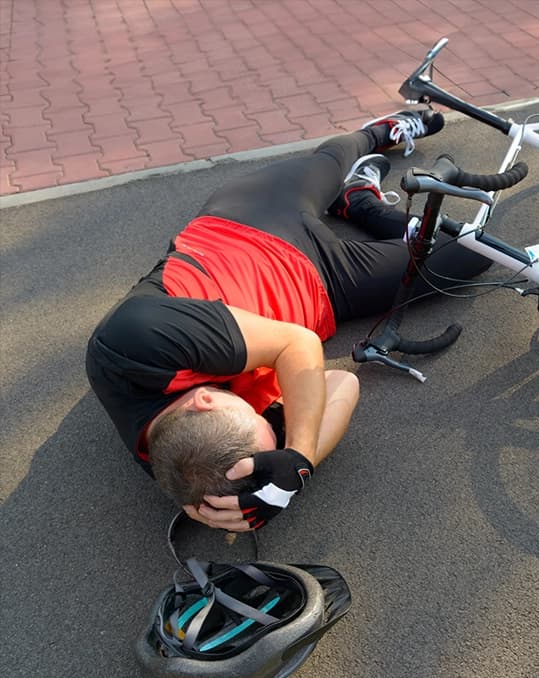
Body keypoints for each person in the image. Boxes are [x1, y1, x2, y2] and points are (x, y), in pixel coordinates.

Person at [86, 110, 492, 533]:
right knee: (475, 252)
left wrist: (296, 454)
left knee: (334, 160)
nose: (271, 419)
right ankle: (362, 204)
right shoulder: (203, 463)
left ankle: (380, 130)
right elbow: (342, 384)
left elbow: (295, 345)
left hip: (251, 223)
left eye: (259, 419)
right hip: (328, 286)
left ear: (202, 401)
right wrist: (294, 476)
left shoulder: (131, 342)